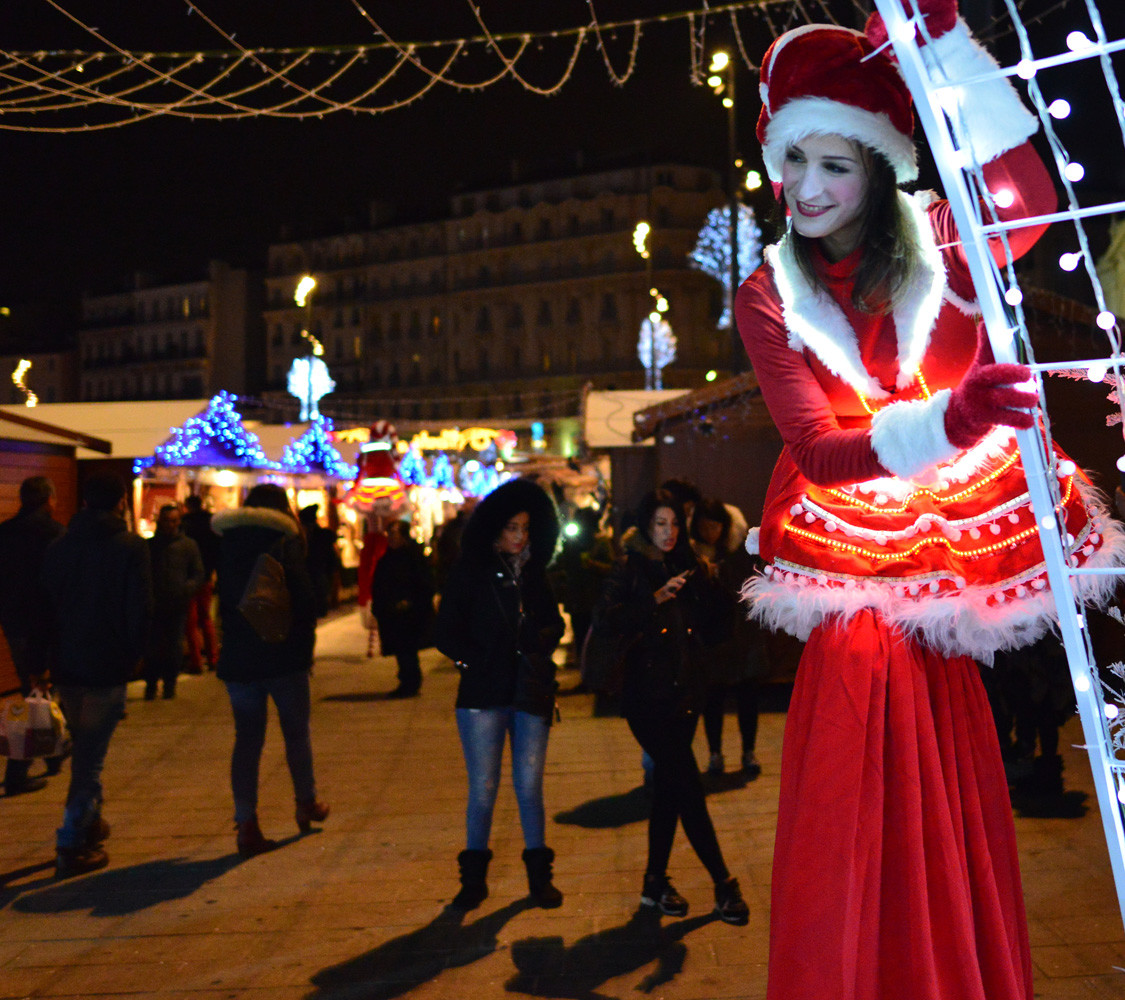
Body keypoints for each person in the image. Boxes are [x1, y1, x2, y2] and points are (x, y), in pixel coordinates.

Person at [733, 6, 1125, 997]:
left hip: (952, 548)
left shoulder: (947, 242)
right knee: (855, 744)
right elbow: (819, 451)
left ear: (877, 164)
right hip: (852, 553)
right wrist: (950, 421)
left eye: (838, 163)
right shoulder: (768, 292)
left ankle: (941, 960)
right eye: (796, 164)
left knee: (944, 750)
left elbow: (1026, 192)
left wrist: (947, 49)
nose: (810, 190)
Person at [593, 488, 750, 925]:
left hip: (685, 694)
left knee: (668, 789)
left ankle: (654, 882)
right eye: (661, 524)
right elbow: (606, 619)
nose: (669, 532)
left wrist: (715, 586)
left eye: (674, 524)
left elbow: (715, 629)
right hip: (644, 698)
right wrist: (655, 599)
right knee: (687, 786)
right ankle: (724, 884)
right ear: (646, 525)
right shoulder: (629, 567)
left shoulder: (688, 564)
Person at [434, 478, 566, 911]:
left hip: (528, 690)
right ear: (494, 527)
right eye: (512, 527)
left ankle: (539, 879)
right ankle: (473, 881)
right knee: (484, 787)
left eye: (526, 528)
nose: (520, 536)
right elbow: (445, 631)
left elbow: (555, 624)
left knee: (529, 785)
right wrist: (475, 658)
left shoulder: (533, 574)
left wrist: (537, 640)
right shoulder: (470, 572)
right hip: (481, 694)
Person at [41, 472, 153, 878]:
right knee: (89, 759)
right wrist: (137, 654)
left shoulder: (59, 549)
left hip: (67, 664)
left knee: (88, 750)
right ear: (121, 503)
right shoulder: (129, 548)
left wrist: (40, 662)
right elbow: (139, 606)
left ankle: (90, 824)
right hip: (107, 664)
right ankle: (70, 841)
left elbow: (44, 609)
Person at [212, 484, 328, 858]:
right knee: (296, 733)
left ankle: (246, 822)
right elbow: (306, 598)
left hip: (240, 659)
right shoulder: (283, 540)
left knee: (247, 739)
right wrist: (303, 641)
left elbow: (225, 600)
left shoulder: (227, 543)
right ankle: (306, 801)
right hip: (283, 656)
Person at [0, 476, 64, 795]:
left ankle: (53, 750)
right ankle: (18, 771)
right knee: (39, 690)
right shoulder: (55, 534)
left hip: (16, 623)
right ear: (48, 500)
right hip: (47, 622)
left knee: (34, 688)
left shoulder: (5, 534)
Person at [690, 498, 762, 779]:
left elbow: (751, 585)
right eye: (705, 526)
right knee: (713, 697)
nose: (711, 532)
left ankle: (748, 752)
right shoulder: (694, 554)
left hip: (742, 633)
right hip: (712, 636)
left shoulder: (740, 552)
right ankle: (715, 754)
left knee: (748, 695)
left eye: (715, 525)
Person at [144, 504, 204, 700]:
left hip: (177, 603)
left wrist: (186, 588)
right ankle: (151, 683)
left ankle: (170, 684)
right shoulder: (151, 546)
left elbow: (197, 572)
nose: (170, 525)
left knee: (173, 645)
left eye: (173, 520)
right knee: (152, 646)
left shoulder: (188, 546)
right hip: (155, 603)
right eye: (166, 520)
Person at [370, 519, 435, 697]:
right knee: (401, 650)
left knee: (407, 649)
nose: (391, 538)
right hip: (393, 614)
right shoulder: (387, 558)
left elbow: (425, 583)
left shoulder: (413, 557)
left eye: (394, 533)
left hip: (410, 614)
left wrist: (411, 602)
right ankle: (407, 680)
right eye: (389, 533)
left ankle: (410, 682)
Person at [181, 494, 221, 672]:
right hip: (206, 576)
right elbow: (216, 549)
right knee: (206, 619)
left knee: (191, 621)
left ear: (188, 506)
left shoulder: (185, 524)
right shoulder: (210, 523)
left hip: (188, 577)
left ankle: (196, 660)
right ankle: (213, 658)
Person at [299, 504, 341, 618]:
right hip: (320, 580)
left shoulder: (310, 538)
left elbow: (331, 561)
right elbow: (333, 561)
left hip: (315, 580)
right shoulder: (323, 537)